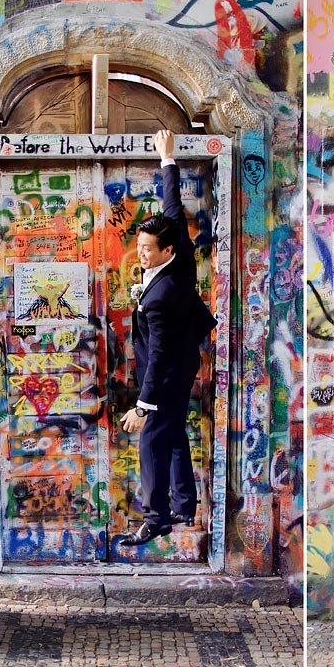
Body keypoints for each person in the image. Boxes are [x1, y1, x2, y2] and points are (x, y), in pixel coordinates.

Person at [119, 129, 216, 546]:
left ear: (166, 252)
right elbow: (173, 207)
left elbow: (156, 353)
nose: (140, 254)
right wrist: (168, 159)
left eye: (147, 249)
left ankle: (156, 517)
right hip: (183, 358)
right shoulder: (179, 253)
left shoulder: (161, 297)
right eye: (138, 246)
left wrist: (143, 404)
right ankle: (184, 503)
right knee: (174, 431)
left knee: (153, 439)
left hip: (169, 368)